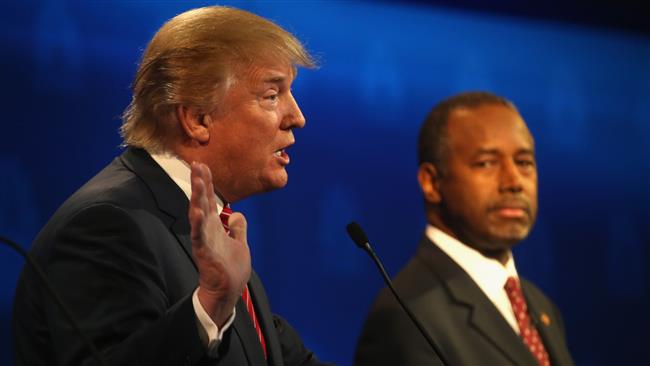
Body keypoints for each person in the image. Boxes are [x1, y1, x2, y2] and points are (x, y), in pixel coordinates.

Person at [13, 6, 332, 366]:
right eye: (272, 95)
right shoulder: (107, 225)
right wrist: (209, 306)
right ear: (198, 119)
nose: (297, 117)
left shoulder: (212, 228)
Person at [354, 91, 574, 365]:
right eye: (486, 163)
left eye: (524, 162)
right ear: (432, 183)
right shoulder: (406, 315)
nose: (514, 181)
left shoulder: (541, 306)